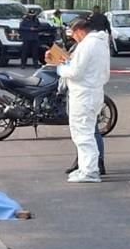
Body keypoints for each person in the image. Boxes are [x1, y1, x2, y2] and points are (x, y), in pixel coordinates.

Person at [47, 18, 110, 183]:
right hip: (93, 92)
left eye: (73, 35)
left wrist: (60, 68)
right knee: (86, 132)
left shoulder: (87, 45)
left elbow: (75, 72)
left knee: (83, 134)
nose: (73, 38)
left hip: (83, 94)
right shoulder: (100, 44)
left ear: (80, 30)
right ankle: (85, 167)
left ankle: (89, 171)